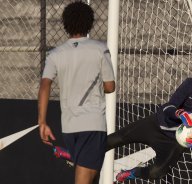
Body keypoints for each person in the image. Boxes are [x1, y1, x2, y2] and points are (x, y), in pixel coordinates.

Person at [37, 1, 115, 184]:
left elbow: (44, 85)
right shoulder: (99, 49)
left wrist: (42, 121)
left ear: (65, 25)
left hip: (70, 128)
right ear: (90, 23)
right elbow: (110, 86)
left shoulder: (56, 54)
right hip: (92, 125)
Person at [107, 68, 192, 182]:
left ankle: (132, 173)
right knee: (111, 140)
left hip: (174, 142)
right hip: (157, 124)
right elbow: (169, 107)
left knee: (157, 173)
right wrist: (181, 114)